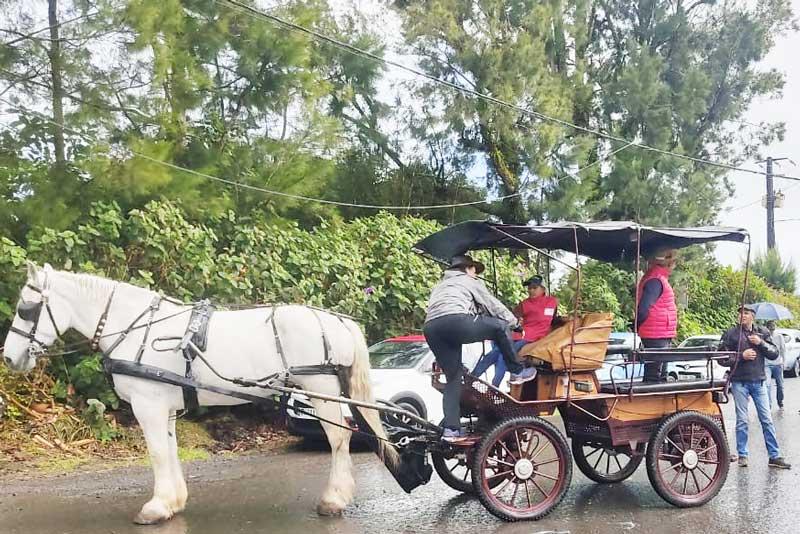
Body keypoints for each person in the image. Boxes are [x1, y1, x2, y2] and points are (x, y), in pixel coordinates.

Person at [424, 255, 536, 439]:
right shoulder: (468, 281)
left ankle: (451, 429)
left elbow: (473, 309)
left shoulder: (441, 286)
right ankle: (517, 371)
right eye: (474, 270)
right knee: (500, 326)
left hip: (431, 328)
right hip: (455, 321)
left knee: (453, 377)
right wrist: (515, 323)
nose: (476, 274)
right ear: (467, 269)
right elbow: (493, 306)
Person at [718, 305, 791, 469]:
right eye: (740, 313)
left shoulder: (762, 332)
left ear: (753, 316)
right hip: (739, 382)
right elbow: (721, 358)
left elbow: (774, 353)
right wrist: (740, 356)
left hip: (759, 382)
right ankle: (743, 455)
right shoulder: (731, 333)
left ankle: (774, 456)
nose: (742, 316)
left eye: (746, 313)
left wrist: (761, 343)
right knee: (742, 420)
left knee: (766, 419)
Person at [472, 275, 558, 386]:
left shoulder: (552, 302)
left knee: (503, 354)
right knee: (496, 352)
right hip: (520, 334)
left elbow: (554, 319)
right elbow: (511, 317)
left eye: (534, 287)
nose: (531, 290)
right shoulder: (524, 304)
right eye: (529, 288)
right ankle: (473, 376)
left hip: (535, 337)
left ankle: (494, 385)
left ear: (543, 288)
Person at [635, 248, 679, 382]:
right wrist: (637, 325)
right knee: (654, 374)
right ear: (669, 264)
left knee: (659, 373)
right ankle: (649, 400)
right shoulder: (656, 280)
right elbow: (643, 308)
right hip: (656, 333)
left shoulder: (657, 278)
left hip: (659, 332)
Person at [765, 320, 786, 410]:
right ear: (767, 327)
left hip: (777, 363)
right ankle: (768, 405)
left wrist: (783, 361)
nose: (772, 327)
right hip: (766, 364)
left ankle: (780, 401)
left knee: (780, 385)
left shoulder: (779, 336)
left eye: (773, 325)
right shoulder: (764, 337)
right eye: (770, 326)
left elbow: (783, 349)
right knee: (767, 385)